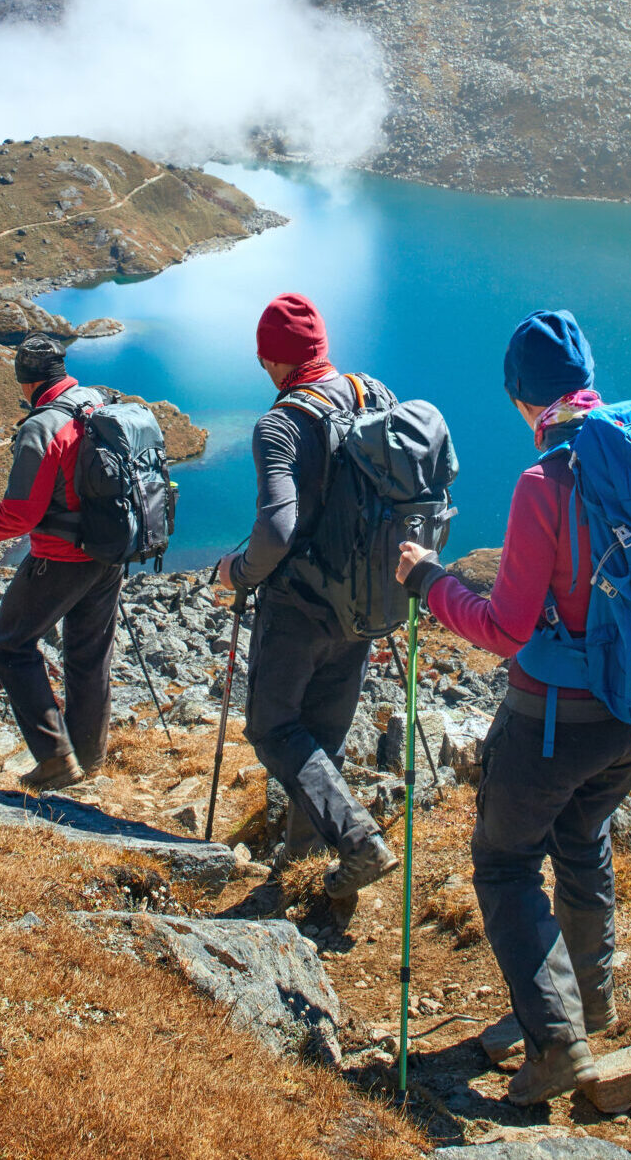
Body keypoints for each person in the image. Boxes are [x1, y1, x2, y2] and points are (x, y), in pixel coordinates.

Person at [393, 310, 631, 1106]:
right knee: (582, 836)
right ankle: (590, 1004)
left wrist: (429, 580)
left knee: (503, 866)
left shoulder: (547, 481)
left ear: (520, 398)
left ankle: (558, 1044)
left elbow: (504, 628)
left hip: (555, 720)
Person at [212, 292, 400, 919]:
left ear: (272, 358)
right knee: (320, 739)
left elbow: (277, 531)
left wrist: (236, 572)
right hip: (365, 603)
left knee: (272, 729)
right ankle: (311, 878)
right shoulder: (373, 394)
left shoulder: (281, 422)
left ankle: (357, 841)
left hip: (299, 608)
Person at [0, 334, 121, 793]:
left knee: (10, 645)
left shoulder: (42, 427)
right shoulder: (94, 401)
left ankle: (57, 761)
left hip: (61, 558)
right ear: (60, 370)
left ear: (26, 381)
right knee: (88, 653)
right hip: (110, 552)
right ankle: (89, 756)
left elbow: (18, 516)